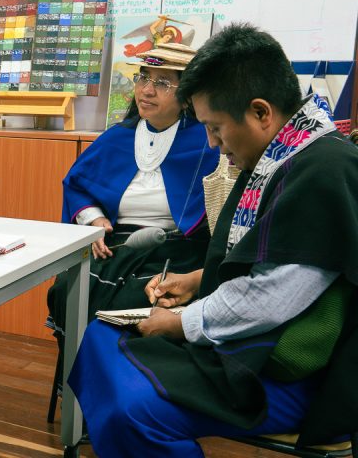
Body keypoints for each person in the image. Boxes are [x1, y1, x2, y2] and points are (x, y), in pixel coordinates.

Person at [67, 23, 358, 458]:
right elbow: (277, 260)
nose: (214, 145)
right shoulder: (287, 151)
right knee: (99, 338)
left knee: (129, 404)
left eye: (216, 128)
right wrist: (197, 279)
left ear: (261, 112)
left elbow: (272, 296)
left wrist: (182, 322)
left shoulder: (324, 170)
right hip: (256, 337)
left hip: (283, 370)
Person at [47, 43, 219, 357]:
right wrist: (94, 220)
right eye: (143, 78)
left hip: (179, 247)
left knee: (136, 299)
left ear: (187, 95)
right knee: (66, 292)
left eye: (163, 83)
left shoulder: (208, 140)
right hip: (118, 242)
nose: (147, 90)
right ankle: (79, 387)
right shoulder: (117, 138)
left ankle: (118, 383)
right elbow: (77, 186)